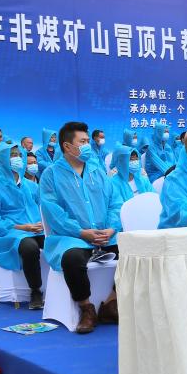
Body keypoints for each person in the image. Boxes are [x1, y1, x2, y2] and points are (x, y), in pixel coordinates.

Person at [39, 121, 124, 333]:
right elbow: (53, 212)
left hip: (105, 234)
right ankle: (86, 308)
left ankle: (111, 302)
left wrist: (112, 228)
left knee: (134, 253)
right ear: (67, 146)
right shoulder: (51, 174)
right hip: (72, 237)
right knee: (72, 259)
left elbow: (115, 203)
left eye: (88, 141)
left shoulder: (98, 171)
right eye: (83, 142)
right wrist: (81, 232)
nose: (87, 146)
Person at [0, 144, 46, 309]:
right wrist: (22, 227)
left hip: (37, 230)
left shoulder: (31, 186)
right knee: (29, 248)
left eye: (18, 154)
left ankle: (62, 287)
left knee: (59, 241)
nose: (17, 158)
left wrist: (44, 224)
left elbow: (45, 208)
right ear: (3, 159)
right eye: (12, 155)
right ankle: (35, 291)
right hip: (11, 233)